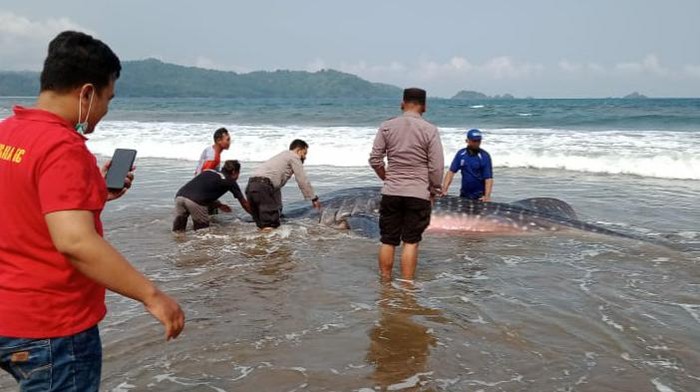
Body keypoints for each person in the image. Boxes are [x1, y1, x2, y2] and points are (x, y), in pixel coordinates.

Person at [0, 31, 184, 391]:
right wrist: (153, 295)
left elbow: (21, 205)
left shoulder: (8, 132)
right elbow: (74, 241)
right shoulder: (63, 147)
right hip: (51, 328)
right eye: (107, 99)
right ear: (86, 93)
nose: (104, 112)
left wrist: (93, 192)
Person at [369, 88, 444, 281]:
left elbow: (375, 160)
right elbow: (436, 167)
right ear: (424, 107)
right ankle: (407, 288)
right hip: (418, 193)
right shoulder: (430, 130)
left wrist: (387, 178)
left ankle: (385, 282)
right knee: (411, 242)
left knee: (388, 240)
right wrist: (435, 189)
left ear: (402, 103)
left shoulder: (387, 126)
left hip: (392, 191)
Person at [246, 139, 321, 230]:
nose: (305, 157)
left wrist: (278, 211)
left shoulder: (281, 158)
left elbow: (274, 188)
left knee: (262, 226)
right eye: (304, 153)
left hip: (251, 188)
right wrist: (313, 198)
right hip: (263, 188)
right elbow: (302, 179)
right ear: (298, 150)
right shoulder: (294, 156)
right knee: (270, 226)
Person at [173, 160, 251, 231]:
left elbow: (203, 191)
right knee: (202, 233)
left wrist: (219, 205)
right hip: (195, 202)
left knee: (178, 231)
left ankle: (178, 244)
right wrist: (256, 216)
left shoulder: (208, 172)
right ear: (234, 172)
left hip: (179, 197)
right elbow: (244, 203)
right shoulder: (230, 181)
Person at [441, 128, 493, 201]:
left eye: (479, 141)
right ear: (467, 141)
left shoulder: (484, 156)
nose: (477, 143)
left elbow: (488, 178)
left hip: (480, 196)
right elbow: (451, 172)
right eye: (474, 141)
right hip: (464, 195)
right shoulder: (461, 154)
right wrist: (444, 189)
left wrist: (487, 196)